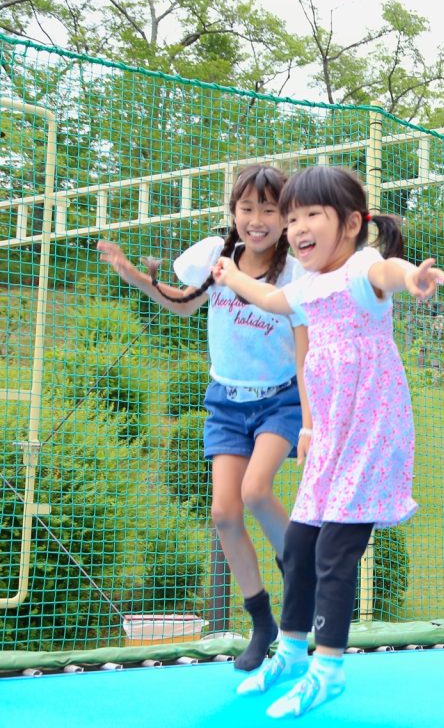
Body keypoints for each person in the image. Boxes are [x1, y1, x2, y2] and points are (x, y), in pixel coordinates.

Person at [212, 165, 444, 719]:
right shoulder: (308, 285)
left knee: (337, 553)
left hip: (369, 432)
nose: (296, 228)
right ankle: (293, 653)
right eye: (291, 218)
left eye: (310, 215)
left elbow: (388, 271)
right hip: (333, 438)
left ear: (350, 224)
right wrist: (230, 276)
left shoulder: (362, 268)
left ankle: (328, 670)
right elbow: (271, 302)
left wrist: (413, 277)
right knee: (299, 545)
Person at [97, 165, 306, 671]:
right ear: (233, 212)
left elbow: (305, 341)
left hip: (280, 400)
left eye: (269, 210)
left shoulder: (296, 269)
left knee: (257, 492)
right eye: (247, 209)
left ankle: (301, 571)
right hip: (226, 402)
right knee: (224, 515)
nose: (257, 220)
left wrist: (314, 412)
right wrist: (135, 277)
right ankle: (261, 619)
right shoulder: (215, 256)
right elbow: (184, 306)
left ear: (285, 218)